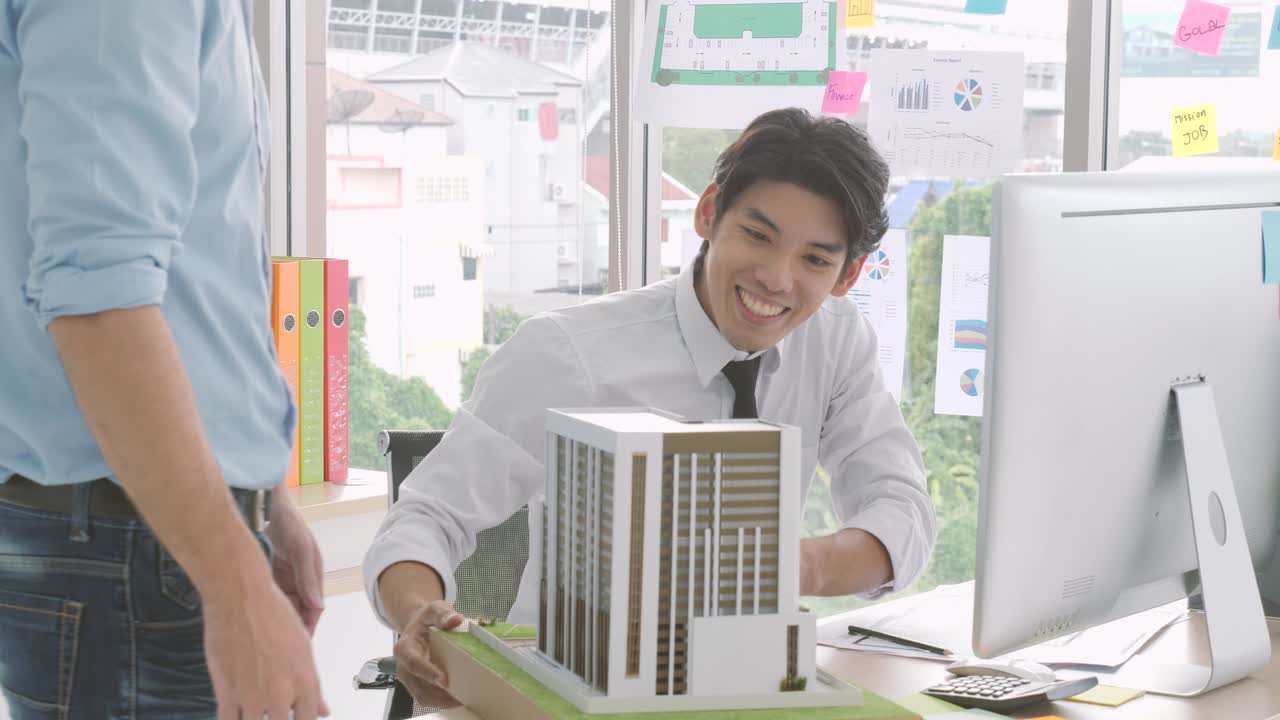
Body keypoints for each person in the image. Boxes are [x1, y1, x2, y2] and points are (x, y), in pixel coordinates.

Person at [365, 107, 936, 705]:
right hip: (573, 692)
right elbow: (426, 518)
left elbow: (903, 514)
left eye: (815, 260)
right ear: (710, 213)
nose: (775, 278)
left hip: (746, 688)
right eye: (758, 236)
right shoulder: (567, 353)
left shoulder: (837, 341)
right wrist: (416, 616)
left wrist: (795, 568)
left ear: (848, 274)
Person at [0, 3, 328, 719]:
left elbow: (205, 282)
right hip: (131, 549)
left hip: (144, 536)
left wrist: (266, 499)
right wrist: (233, 584)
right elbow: (98, 295)